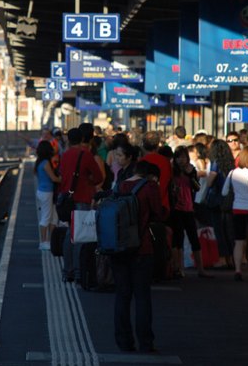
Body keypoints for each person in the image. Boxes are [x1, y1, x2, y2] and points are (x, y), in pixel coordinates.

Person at [112, 160, 168, 353]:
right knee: (142, 297)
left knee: (122, 296)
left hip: (119, 248)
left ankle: (123, 341)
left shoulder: (120, 185)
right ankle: (145, 342)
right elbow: (159, 214)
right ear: (149, 175)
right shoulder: (150, 187)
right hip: (142, 249)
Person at [59, 126, 104, 282]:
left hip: (66, 199)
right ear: (84, 139)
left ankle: (67, 271)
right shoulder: (86, 155)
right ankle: (79, 272)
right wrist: (88, 182)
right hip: (82, 199)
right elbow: (98, 177)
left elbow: (62, 177)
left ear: (69, 140)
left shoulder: (64, 155)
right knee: (80, 235)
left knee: (69, 234)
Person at [171, 146, 215, 278]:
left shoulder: (191, 169)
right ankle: (178, 268)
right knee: (177, 239)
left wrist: (191, 175)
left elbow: (197, 187)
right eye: (178, 157)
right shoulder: (172, 170)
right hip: (176, 208)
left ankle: (200, 269)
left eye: (183, 157)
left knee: (193, 238)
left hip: (189, 207)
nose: (181, 160)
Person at [223, 145, 248, 281]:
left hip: (237, 208)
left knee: (239, 240)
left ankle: (238, 269)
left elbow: (224, 192)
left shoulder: (233, 173)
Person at [206, 138, 237, 268]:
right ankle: (231, 259)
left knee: (219, 230)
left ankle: (222, 259)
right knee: (228, 230)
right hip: (228, 200)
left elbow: (210, 181)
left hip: (216, 199)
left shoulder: (215, 163)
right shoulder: (230, 163)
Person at [34, 140, 61, 250]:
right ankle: (43, 242)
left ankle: (49, 241)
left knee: (52, 217)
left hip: (43, 191)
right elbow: (53, 178)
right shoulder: (45, 163)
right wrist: (63, 179)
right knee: (46, 217)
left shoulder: (39, 162)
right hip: (47, 192)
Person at [142, 131, 173, 211]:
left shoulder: (141, 162)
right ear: (157, 145)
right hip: (163, 205)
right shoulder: (165, 161)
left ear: (143, 145)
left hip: (145, 206)